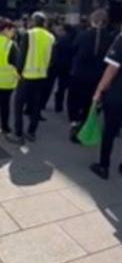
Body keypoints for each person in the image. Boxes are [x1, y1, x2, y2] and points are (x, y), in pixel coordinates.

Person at [67, 10, 115, 142]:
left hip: (79, 74)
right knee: (90, 102)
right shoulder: (110, 38)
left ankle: (74, 123)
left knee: (74, 100)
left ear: (91, 20)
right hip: (98, 76)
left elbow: (73, 50)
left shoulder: (82, 35)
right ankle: (84, 124)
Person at [11, 12, 55, 144]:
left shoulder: (28, 34)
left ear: (33, 21)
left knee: (18, 105)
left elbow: (22, 55)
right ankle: (31, 133)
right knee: (36, 106)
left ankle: (18, 134)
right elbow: (52, 59)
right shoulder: (51, 37)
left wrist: (18, 71)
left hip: (26, 76)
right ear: (44, 22)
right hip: (42, 76)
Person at [89, 29, 122, 180]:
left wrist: (99, 90)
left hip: (118, 95)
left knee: (109, 130)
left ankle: (104, 166)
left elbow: (112, 68)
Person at [41, 24, 75, 114]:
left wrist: (50, 64)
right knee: (62, 88)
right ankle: (58, 106)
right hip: (66, 67)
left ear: (64, 30)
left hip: (55, 66)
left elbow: (54, 54)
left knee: (48, 86)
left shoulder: (59, 40)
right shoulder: (72, 40)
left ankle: (42, 103)